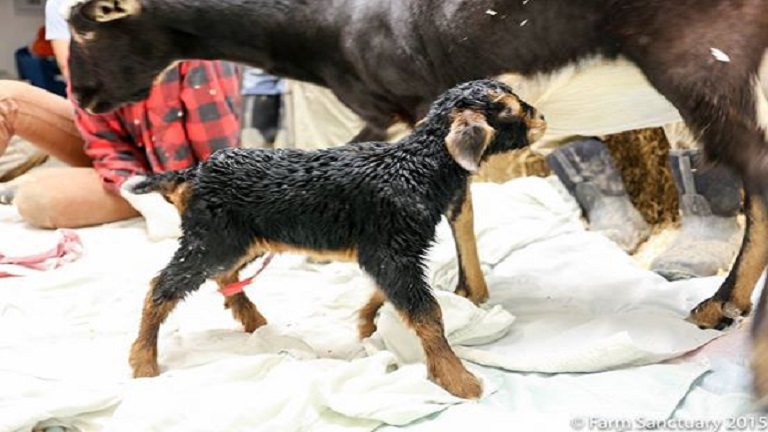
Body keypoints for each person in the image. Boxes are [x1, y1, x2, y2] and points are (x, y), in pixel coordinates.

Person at [0, 0, 242, 238]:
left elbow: (215, 163)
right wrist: (139, 194)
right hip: (125, 160)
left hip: (181, 174)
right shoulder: (86, 50)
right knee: (5, 96)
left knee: (37, 200)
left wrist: (174, 200)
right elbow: (104, 144)